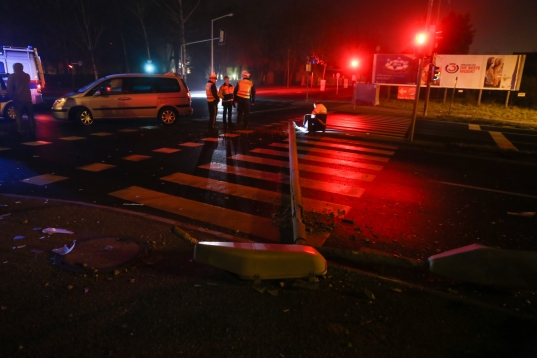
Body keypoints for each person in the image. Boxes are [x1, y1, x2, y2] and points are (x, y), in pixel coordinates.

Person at [7, 63, 36, 138]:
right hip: (27, 98)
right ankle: (32, 130)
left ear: (15, 68)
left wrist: (11, 96)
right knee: (30, 116)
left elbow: (9, 88)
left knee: (19, 116)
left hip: (18, 98)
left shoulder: (12, 76)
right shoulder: (27, 76)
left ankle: (21, 131)